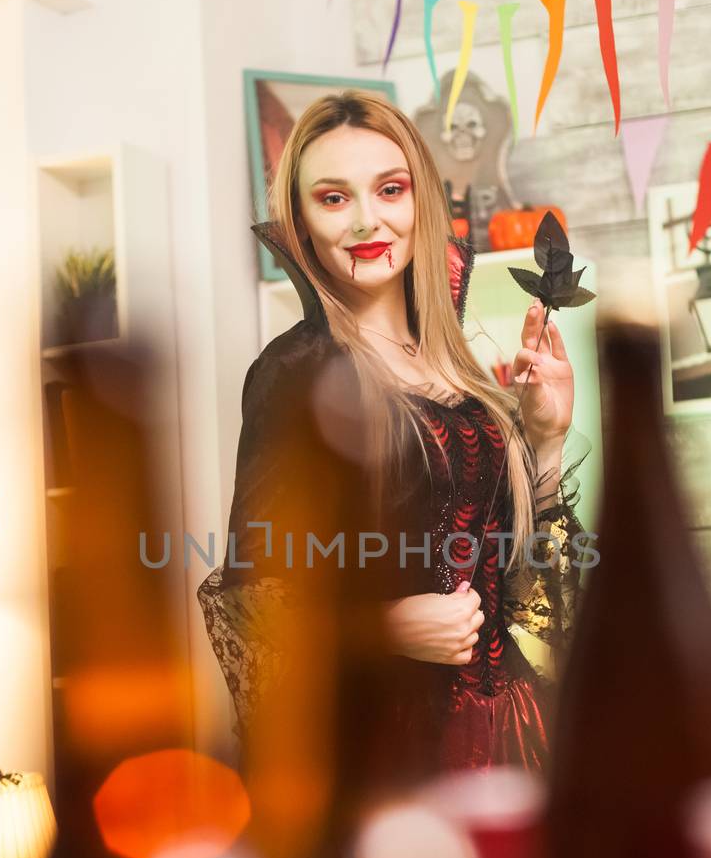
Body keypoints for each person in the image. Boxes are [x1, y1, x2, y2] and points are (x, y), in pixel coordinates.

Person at [197, 90, 591, 821]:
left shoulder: (464, 371)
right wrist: (383, 627)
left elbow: (532, 597)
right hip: (389, 754)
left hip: (513, 739)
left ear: (421, 201)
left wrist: (544, 437)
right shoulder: (296, 374)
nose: (365, 221)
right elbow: (254, 606)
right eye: (332, 198)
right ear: (303, 224)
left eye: (388, 189)